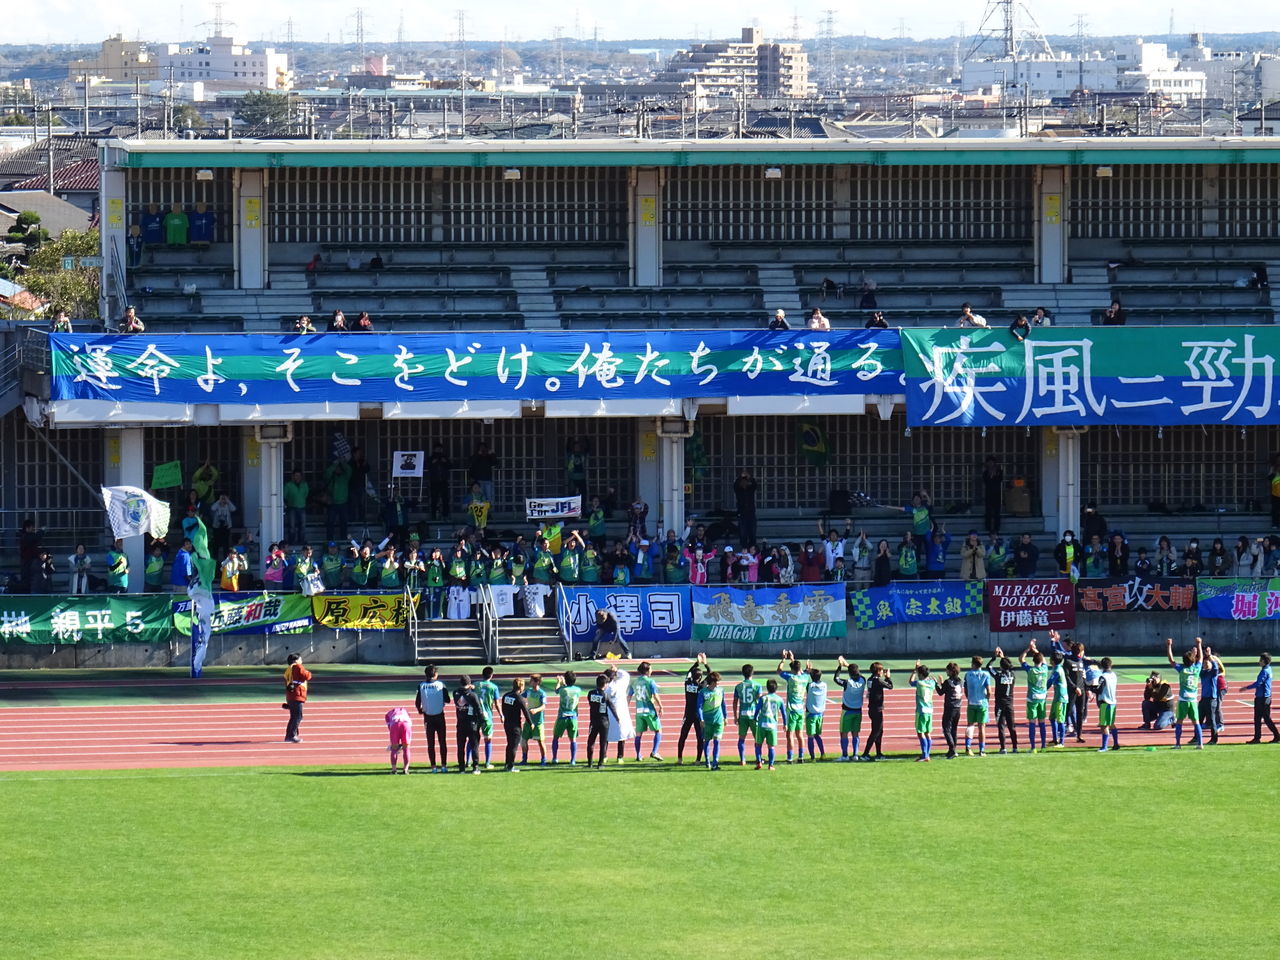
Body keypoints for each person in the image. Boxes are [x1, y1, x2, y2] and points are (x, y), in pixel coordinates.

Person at [1050, 631, 1095, 742]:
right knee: (1066, 713)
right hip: (1071, 690)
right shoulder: (1068, 660)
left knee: (1080, 713)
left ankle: (1079, 735)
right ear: (1079, 651)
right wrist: (1053, 642)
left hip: (1082, 690)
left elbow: (1091, 665)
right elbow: (1058, 652)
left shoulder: (1082, 660)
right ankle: (1058, 737)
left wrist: (1103, 662)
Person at [1166, 636, 1204, 750]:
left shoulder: (1182, 669)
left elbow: (1171, 660)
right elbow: (1201, 658)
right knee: (1196, 722)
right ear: (1193, 659)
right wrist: (1199, 644)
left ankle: (1178, 743)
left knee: (1179, 721)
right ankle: (1200, 743)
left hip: (1183, 699)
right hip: (1193, 700)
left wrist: (1169, 646)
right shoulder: (1197, 669)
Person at [415, 664, 450, 773]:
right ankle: (443, 765)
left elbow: (417, 702)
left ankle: (433, 767)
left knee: (431, 743)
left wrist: (420, 710)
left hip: (428, 717)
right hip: (439, 716)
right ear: (435, 674)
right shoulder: (441, 685)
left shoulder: (421, 685)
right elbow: (448, 699)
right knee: (442, 742)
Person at [778, 651, 811, 764]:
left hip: (791, 710)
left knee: (790, 735)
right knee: (800, 735)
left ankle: (790, 757)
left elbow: (779, 671)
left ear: (792, 669)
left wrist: (783, 659)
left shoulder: (791, 678)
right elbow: (802, 672)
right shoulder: (805, 677)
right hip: (800, 710)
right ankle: (801, 756)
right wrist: (793, 659)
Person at [1241, 652, 1280, 743]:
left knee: (1262, 718)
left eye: (1260, 660)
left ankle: (1275, 735)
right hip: (1265, 697)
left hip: (1262, 698)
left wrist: (1246, 687)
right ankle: (1259, 737)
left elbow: (1258, 683)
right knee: (1262, 718)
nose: (1259, 662)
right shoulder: (1269, 669)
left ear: (1264, 661)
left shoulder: (1264, 671)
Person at [832, 658, 865, 761]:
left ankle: (845, 755)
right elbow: (858, 674)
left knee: (844, 733)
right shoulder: (862, 680)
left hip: (847, 711)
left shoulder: (848, 683)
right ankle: (855, 754)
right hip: (858, 711)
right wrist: (848, 665)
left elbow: (836, 678)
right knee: (855, 733)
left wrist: (840, 666)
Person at [986, 649, 1019, 754]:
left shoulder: (998, 676)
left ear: (1001, 667)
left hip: (1000, 704)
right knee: (1011, 726)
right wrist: (1003, 657)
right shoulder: (1012, 675)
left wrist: (994, 658)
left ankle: (1003, 748)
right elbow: (1010, 666)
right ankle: (1015, 747)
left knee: (1001, 726)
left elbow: (989, 667)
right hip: (1010, 704)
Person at [629, 661, 663, 761]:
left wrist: (626, 707)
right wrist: (660, 706)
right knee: (658, 730)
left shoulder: (634, 682)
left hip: (639, 711)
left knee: (639, 733)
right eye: (651, 669)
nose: (652, 670)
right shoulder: (650, 682)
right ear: (647, 670)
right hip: (649, 710)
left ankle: (638, 755)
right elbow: (655, 695)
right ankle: (654, 751)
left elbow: (629, 696)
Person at [677, 654, 708, 764]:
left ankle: (680, 759)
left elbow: (688, 673)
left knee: (683, 736)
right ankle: (698, 760)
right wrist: (705, 664)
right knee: (700, 738)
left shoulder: (687, 683)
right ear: (700, 677)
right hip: (698, 715)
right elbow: (711, 675)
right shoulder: (701, 686)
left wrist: (696, 663)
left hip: (687, 714)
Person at [1019, 640, 1050, 751]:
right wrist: (1035, 649)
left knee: (1032, 722)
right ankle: (1043, 746)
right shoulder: (1045, 669)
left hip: (1032, 698)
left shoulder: (1031, 670)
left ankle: (1033, 747)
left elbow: (1021, 659)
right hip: (1042, 698)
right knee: (1042, 722)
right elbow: (1044, 660)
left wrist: (1028, 649)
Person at [752, 679, 788, 771]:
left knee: (758, 744)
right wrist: (785, 723)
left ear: (767, 688)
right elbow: (784, 713)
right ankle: (771, 765)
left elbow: (757, 709)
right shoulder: (779, 699)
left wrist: (755, 717)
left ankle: (759, 762)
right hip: (772, 725)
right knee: (771, 746)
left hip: (762, 723)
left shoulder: (763, 698)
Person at [499, 678, 534, 772]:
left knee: (509, 744)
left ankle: (507, 764)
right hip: (515, 725)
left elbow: (503, 708)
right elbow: (525, 712)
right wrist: (531, 723)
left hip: (507, 723)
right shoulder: (519, 698)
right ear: (521, 686)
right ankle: (510, 766)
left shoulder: (506, 695)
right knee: (514, 745)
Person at [860, 662, 893, 761]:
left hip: (872, 708)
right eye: (882, 670)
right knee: (876, 731)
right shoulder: (878, 680)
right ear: (878, 671)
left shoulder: (870, 679)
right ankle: (865, 753)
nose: (883, 672)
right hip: (877, 709)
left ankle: (878, 753)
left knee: (879, 731)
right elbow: (890, 686)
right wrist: (888, 678)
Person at [452, 676, 484, 774]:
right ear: (469, 683)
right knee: (474, 745)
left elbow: (460, 692)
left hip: (460, 723)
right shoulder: (472, 695)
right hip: (472, 723)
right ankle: (475, 767)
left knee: (460, 746)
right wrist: (482, 721)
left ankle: (461, 768)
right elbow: (479, 709)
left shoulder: (455, 693)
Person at [732, 664, 763, 766]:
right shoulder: (757, 686)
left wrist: (735, 716)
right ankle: (758, 759)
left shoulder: (738, 686)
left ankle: (742, 759)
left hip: (743, 714)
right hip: (754, 715)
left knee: (741, 738)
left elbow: (735, 702)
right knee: (757, 739)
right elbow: (760, 701)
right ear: (752, 673)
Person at [603, 665, 635, 764]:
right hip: (621, 713)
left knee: (606, 735)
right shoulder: (621, 683)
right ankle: (620, 756)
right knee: (622, 735)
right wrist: (617, 670)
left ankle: (604, 756)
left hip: (608, 713)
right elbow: (626, 675)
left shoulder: (605, 688)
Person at [963, 655, 992, 757]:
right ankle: (982, 750)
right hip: (982, 703)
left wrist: (969, 698)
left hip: (971, 703)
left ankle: (968, 746)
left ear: (974, 664)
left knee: (970, 725)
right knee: (982, 727)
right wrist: (987, 700)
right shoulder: (985, 674)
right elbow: (989, 691)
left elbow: (965, 690)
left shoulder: (967, 674)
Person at [551, 672, 583, 764]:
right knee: (573, 739)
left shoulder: (563, 690)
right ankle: (573, 759)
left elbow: (556, 690)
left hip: (562, 716)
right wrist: (564, 683)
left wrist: (559, 682)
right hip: (573, 717)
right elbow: (569, 688)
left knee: (556, 737)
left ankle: (554, 758)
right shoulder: (578, 690)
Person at [698, 672, 728, 770]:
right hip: (707, 721)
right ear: (712, 682)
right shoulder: (703, 693)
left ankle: (715, 763)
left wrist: (725, 717)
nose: (719, 683)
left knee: (717, 741)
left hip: (719, 720)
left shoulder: (721, 690)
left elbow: (723, 704)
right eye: (717, 681)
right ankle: (707, 761)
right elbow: (699, 707)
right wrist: (701, 719)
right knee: (707, 741)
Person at [909, 661, 938, 762]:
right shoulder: (932, 682)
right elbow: (934, 681)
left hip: (921, 710)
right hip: (929, 710)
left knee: (920, 732)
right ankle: (927, 754)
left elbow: (910, 682)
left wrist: (914, 671)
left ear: (920, 674)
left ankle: (924, 755)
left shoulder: (919, 683)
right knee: (927, 732)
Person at [474, 666, 501, 769]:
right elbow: (497, 703)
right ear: (491, 675)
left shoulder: (476, 684)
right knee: (488, 739)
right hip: (487, 715)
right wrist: (501, 715)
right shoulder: (493, 687)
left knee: (473, 738)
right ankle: (487, 762)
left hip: (476, 714)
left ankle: (468, 761)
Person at [936, 662, 964, 759]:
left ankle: (952, 749)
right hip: (958, 708)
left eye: (947, 670)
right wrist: (942, 683)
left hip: (950, 708)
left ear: (951, 671)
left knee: (946, 728)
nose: (946, 671)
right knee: (954, 729)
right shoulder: (960, 681)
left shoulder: (948, 682)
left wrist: (937, 684)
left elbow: (940, 692)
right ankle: (952, 749)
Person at [283, 653, 311, 743]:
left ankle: (289, 735)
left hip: (291, 695)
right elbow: (307, 676)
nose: (301, 661)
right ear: (296, 660)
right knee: (298, 716)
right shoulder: (298, 667)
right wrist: (308, 672)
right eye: (300, 659)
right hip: (297, 694)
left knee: (294, 716)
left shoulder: (288, 669)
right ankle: (292, 735)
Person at [586, 674, 612, 768]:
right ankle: (600, 763)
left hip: (593, 720)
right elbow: (612, 707)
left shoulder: (591, 693)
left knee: (591, 742)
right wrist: (618, 718)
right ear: (604, 684)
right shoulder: (605, 695)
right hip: (604, 721)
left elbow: (590, 702)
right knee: (603, 743)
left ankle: (590, 763)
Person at [804, 668, 828, 762]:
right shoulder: (824, 685)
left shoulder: (810, 686)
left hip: (811, 714)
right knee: (817, 735)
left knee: (810, 736)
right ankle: (822, 753)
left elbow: (804, 681)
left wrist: (806, 671)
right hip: (820, 714)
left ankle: (812, 757)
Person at [1096, 657, 1120, 751]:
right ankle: (1116, 743)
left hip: (1105, 702)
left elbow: (1099, 689)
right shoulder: (1114, 675)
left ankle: (1104, 746)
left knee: (1103, 725)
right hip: (1113, 702)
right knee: (1111, 723)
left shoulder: (1103, 676)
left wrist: (1089, 688)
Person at [1048, 653, 1070, 748]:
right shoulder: (1057, 668)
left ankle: (1061, 742)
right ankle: (1055, 739)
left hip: (1061, 697)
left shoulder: (1057, 670)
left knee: (1060, 720)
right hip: (1056, 697)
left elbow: (1050, 682)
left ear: (1052, 660)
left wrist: (1042, 690)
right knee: (1052, 718)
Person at [384, 706, 413, 774]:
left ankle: (394, 769)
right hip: (406, 725)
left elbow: (389, 726)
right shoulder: (406, 712)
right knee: (406, 748)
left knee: (394, 749)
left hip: (395, 725)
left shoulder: (388, 714)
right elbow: (410, 723)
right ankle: (405, 769)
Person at [733, 470, 758, 547]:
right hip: (742, 514)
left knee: (752, 532)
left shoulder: (750, 490)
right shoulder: (738, 491)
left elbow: (755, 485)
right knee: (743, 533)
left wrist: (749, 477)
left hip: (751, 514)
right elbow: (735, 485)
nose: (744, 483)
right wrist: (740, 477)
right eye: (742, 482)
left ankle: (752, 549)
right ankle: (744, 548)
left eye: (745, 482)